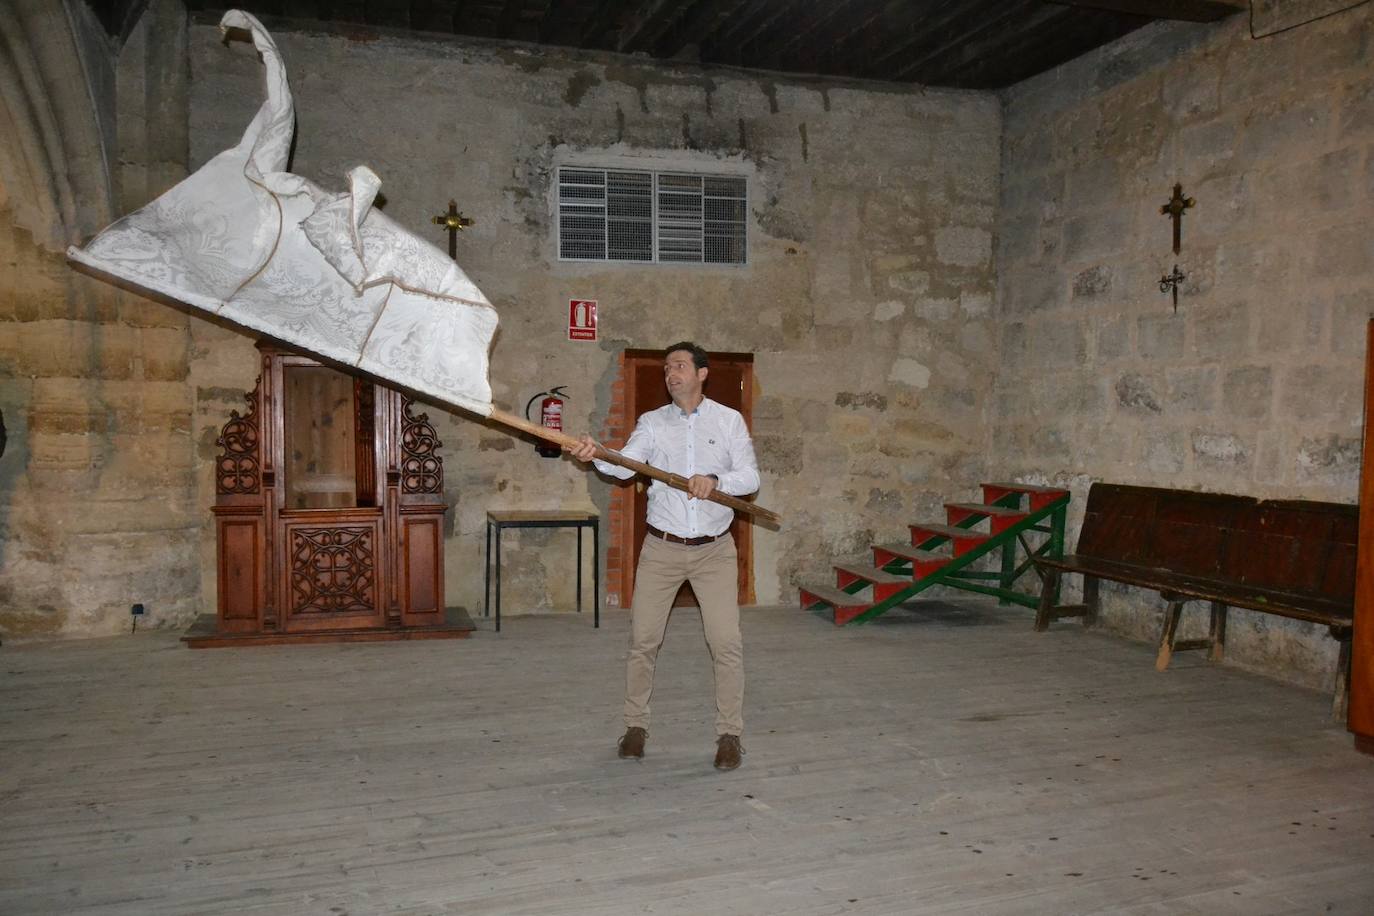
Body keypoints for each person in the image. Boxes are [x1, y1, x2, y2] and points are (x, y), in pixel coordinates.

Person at [566, 342, 760, 770]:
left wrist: (716, 480)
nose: (671, 373)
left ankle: (730, 735)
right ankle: (635, 727)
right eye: (667, 368)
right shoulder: (652, 423)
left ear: (701, 373)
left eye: (679, 366)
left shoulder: (728, 421)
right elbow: (626, 464)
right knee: (643, 642)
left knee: (726, 643)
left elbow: (749, 476)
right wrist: (598, 454)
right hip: (662, 549)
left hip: (714, 552)